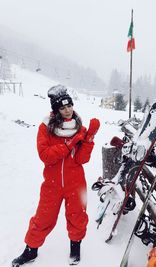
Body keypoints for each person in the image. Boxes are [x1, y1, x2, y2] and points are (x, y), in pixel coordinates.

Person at [12, 85, 100, 266]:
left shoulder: (80, 129)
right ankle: (31, 251)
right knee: (43, 218)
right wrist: (68, 145)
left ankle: (75, 249)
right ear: (56, 110)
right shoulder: (46, 128)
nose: (67, 110)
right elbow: (46, 156)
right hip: (52, 183)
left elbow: (82, 159)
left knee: (77, 216)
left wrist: (89, 138)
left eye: (69, 106)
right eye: (62, 107)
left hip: (75, 182)